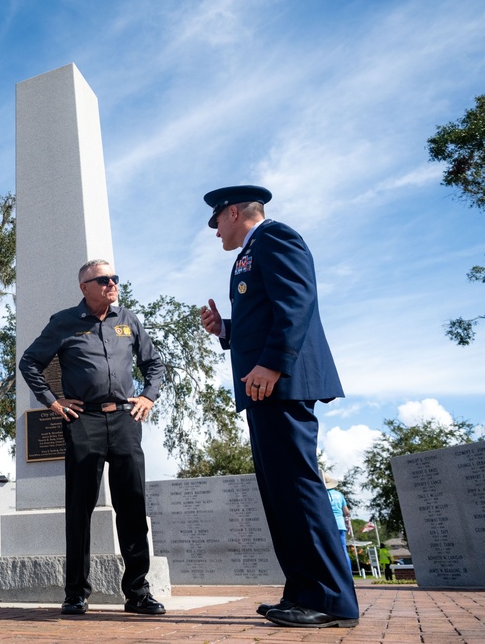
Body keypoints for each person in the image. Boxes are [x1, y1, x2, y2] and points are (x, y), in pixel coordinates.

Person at [198, 186, 359, 629]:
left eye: (217, 224)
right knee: (281, 494)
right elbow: (266, 314)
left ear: (233, 213)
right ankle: (304, 591)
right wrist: (225, 328)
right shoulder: (250, 253)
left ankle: (331, 600)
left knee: (299, 489)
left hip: (280, 384)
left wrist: (272, 364)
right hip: (262, 388)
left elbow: (296, 302)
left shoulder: (276, 238)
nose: (216, 234)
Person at [19, 259, 167, 617]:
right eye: (103, 280)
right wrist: (53, 402)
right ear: (84, 287)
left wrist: (148, 396)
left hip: (125, 419)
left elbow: (155, 364)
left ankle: (137, 592)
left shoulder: (128, 320)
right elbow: (30, 363)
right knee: (80, 508)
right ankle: (75, 593)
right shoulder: (64, 322)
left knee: (132, 505)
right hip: (83, 421)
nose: (111, 284)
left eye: (114, 278)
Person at [324, 474, 351, 565]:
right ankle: (348, 573)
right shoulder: (339, 495)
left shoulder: (322, 494)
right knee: (343, 550)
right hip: (340, 525)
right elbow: (347, 512)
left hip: (328, 525)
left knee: (329, 549)